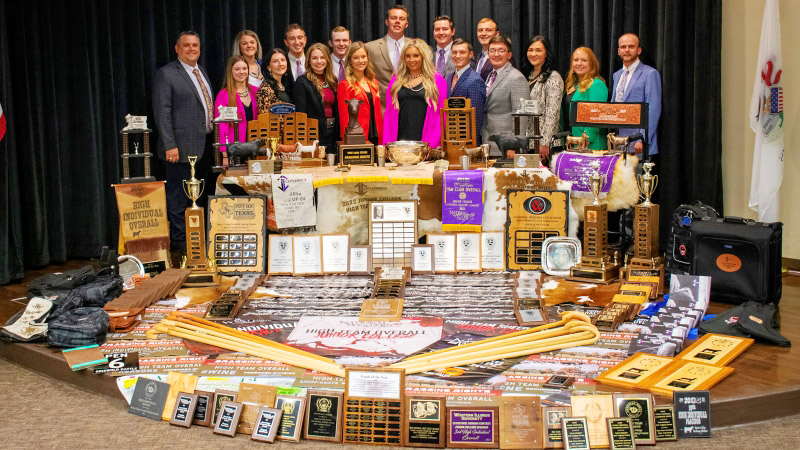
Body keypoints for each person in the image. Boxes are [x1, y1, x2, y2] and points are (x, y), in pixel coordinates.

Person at [152, 31, 214, 256]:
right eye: (186, 45)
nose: (191, 49)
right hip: (179, 149)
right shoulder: (166, 74)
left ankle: (195, 242)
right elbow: (162, 112)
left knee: (196, 197)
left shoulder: (201, 71)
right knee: (178, 199)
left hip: (203, 145)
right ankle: (181, 244)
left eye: (195, 45)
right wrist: (170, 144)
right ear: (177, 49)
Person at [383, 39, 447, 147]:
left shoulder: (437, 81)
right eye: (408, 56)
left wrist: (431, 145)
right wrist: (388, 144)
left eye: (416, 55)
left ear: (423, 57)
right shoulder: (395, 81)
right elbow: (388, 116)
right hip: (399, 143)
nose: (411, 60)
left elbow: (441, 117)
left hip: (426, 144)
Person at [611, 33, 662, 156]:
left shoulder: (650, 74)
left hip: (638, 144)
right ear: (618, 51)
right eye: (623, 47)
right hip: (619, 144)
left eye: (631, 47)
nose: (627, 50)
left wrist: (642, 138)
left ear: (638, 50)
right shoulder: (617, 75)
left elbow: (653, 109)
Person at [482, 35, 530, 156]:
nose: (496, 54)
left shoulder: (516, 78)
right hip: (489, 143)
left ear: (509, 55)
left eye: (501, 50)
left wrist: (514, 145)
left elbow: (521, 116)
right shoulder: (490, 75)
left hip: (506, 148)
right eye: (492, 50)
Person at [522, 36, 564, 158]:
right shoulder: (526, 76)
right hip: (528, 142)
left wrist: (545, 142)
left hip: (544, 145)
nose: (533, 54)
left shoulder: (553, 77)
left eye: (538, 50)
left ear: (547, 53)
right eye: (530, 50)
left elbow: (552, 112)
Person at [293, 43, 340, 153]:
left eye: (322, 57)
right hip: (314, 135)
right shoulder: (302, 82)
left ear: (327, 59)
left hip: (333, 133)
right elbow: (301, 115)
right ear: (309, 61)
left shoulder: (332, 80)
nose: (319, 61)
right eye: (314, 58)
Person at [214, 55, 259, 165]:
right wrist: (225, 155)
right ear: (231, 71)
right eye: (237, 69)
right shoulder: (224, 95)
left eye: (244, 68)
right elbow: (222, 126)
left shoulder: (256, 92)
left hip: (254, 150)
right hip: (235, 151)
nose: (241, 72)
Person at [337, 41, 383, 145]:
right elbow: (344, 117)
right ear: (350, 60)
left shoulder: (373, 82)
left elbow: (378, 113)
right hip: (356, 136)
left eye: (363, 57)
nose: (361, 61)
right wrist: (347, 142)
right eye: (356, 57)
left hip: (376, 134)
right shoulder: (345, 85)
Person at [365, 4, 409, 108]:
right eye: (393, 18)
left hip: (409, 108)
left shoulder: (417, 48)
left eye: (401, 19)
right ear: (386, 22)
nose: (397, 21)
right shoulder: (370, 48)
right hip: (382, 109)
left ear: (406, 24)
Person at [565, 46, 608, 150]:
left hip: (590, 145)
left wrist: (586, 140)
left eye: (584, 60)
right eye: (576, 60)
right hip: (574, 142)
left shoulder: (596, 84)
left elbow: (596, 116)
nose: (579, 63)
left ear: (591, 64)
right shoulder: (573, 85)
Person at [447, 38, 486, 143]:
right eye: (454, 52)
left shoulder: (475, 80)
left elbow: (476, 118)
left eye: (462, 52)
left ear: (470, 54)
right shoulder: (449, 78)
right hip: (451, 137)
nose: (457, 56)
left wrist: (472, 145)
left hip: (467, 141)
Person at [257, 49, 292, 113]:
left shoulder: (286, 84)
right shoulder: (265, 89)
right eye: (275, 61)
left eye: (283, 60)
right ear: (268, 67)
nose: (280, 64)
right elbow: (264, 117)